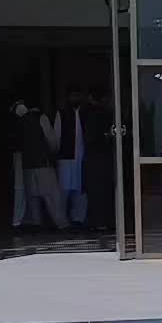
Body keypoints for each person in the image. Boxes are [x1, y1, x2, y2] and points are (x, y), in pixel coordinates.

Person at [10, 99, 68, 231]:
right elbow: (52, 140)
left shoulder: (19, 122)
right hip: (43, 162)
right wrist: (54, 152)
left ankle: (35, 222)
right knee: (51, 194)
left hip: (27, 164)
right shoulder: (41, 118)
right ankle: (62, 223)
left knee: (32, 196)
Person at [54, 86, 88, 226]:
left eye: (77, 95)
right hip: (65, 158)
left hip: (82, 157)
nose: (75, 98)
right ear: (68, 97)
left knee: (80, 190)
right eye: (73, 96)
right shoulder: (61, 114)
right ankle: (62, 220)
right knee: (64, 190)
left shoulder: (85, 113)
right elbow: (57, 136)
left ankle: (78, 219)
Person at [83, 87, 114, 231]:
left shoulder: (88, 114)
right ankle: (105, 221)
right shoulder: (107, 114)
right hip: (104, 156)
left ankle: (96, 221)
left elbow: (89, 137)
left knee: (95, 190)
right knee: (104, 189)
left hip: (93, 156)